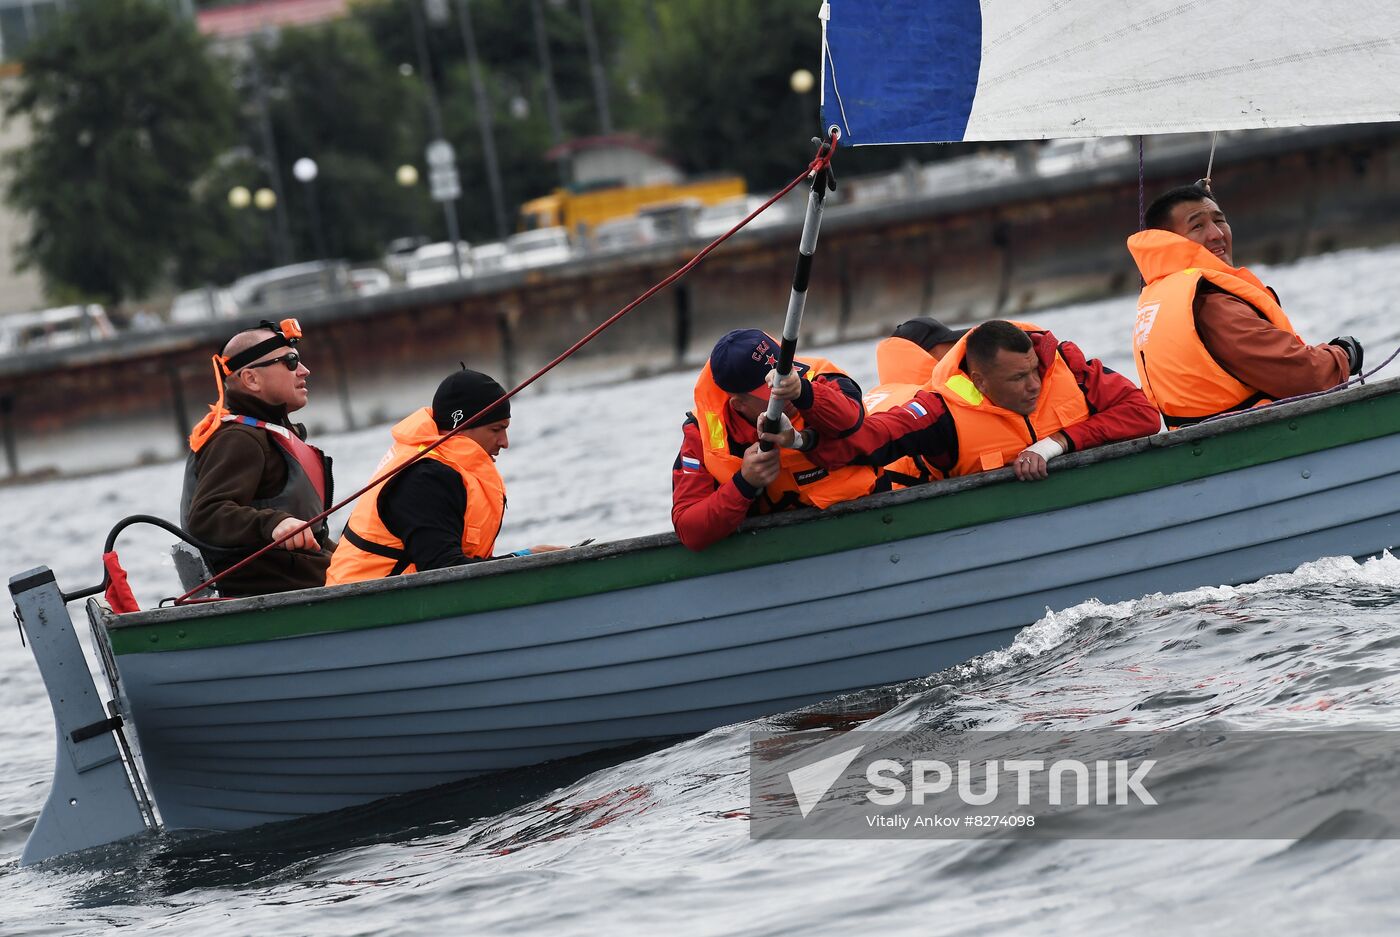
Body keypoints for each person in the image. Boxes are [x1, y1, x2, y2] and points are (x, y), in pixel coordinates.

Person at [768, 319, 1161, 484]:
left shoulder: (1065, 366)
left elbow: (1143, 414)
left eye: (1034, 372)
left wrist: (1056, 443)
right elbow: (872, 439)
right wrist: (802, 438)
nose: (1033, 386)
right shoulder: (938, 410)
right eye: (1018, 379)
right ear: (978, 379)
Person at [1128, 184, 1363, 429]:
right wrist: (1344, 354)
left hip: (1205, 445)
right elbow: (1305, 376)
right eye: (1197, 225)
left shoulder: (1157, 300)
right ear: (1171, 240)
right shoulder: (1211, 304)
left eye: (1219, 220)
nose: (1217, 234)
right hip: (1258, 438)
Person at [326, 368, 563, 585]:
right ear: (460, 425)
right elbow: (444, 571)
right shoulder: (424, 478)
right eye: (496, 429)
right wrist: (521, 559)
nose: (505, 442)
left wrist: (524, 558)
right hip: (366, 609)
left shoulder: (444, 468)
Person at [672, 328, 876, 551]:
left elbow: (852, 420)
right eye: (771, 392)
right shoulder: (700, 435)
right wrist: (744, 483)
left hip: (864, 521)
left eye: (785, 378)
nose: (785, 392)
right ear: (739, 405)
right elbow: (689, 530)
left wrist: (805, 393)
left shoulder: (818, 377)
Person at [181, 318, 334, 597]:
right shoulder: (239, 439)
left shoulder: (265, 434)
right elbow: (206, 515)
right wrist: (274, 523)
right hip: (274, 594)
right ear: (251, 379)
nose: (304, 370)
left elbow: (316, 539)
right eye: (290, 361)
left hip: (307, 579)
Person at [864, 316, 970, 488]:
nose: (958, 351)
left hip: (870, 492)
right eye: (951, 345)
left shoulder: (871, 396)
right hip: (910, 494)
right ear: (927, 352)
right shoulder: (933, 396)